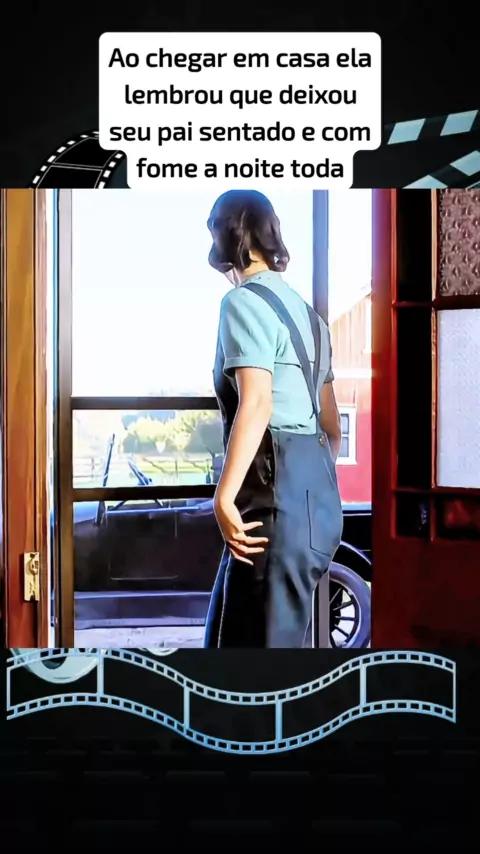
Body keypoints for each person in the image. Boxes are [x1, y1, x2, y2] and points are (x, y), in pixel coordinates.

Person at [203, 190, 344, 648]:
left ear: (225, 239)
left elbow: (258, 402)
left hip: (272, 509)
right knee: (231, 640)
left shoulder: (242, 303)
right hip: (313, 513)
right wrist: (305, 486)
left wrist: (223, 498)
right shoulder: (312, 320)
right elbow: (332, 428)